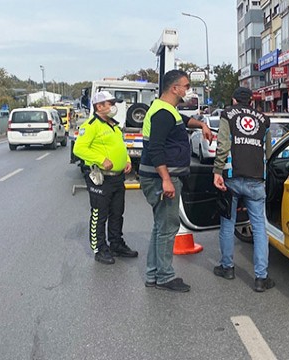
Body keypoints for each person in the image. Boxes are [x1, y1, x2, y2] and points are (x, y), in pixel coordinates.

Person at [138, 70, 212, 292]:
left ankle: (153, 274)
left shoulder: (168, 110)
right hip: (160, 178)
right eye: (186, 86)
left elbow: (183, 120)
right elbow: (156, 148)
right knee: (167, 228)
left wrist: (202, 125)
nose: (188, 90)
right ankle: (164, 277)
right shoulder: (162, 113)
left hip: (159, 176)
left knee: (161, 227)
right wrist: (166, 180)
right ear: (174, 88)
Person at [212, 86, 274, 292]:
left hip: (232, 177)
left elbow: (223, 144)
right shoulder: (263, 119)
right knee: (259, 227)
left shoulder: (228, 114)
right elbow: (268, 151)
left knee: (228, 224)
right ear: (252, 101)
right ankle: (261, 278)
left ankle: (227, 267)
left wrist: (217, 171)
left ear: (234, 100)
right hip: (257, 179)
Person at [73, 91, 138, 265]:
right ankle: (100, 248)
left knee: (117, 213)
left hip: (117, 177)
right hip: (100, 177)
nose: (113, 107)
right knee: (99, 214)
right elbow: (79, 149)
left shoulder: (114, 125)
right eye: (109, 103)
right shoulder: (91, 125)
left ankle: (116, 244)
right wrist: (101, 160)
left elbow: (120, 146)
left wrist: (127, 160)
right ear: (99, 106)